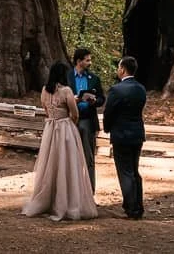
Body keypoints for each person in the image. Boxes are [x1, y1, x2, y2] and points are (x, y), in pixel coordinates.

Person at [22, 61, 98, 221]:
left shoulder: (44, 90)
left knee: (50, 163)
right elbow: (75, 113)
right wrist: (71, 122)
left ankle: (47, 199)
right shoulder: (66, 91)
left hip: (50, 128)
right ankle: (67, 201)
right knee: (67, 163)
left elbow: (46, 109)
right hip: (65, 128)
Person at [101, 55, 146, 220]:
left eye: (119, 67)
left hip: (121, 134)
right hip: (137, 134)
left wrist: (107, 128)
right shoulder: (141, 89)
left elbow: (109, 112)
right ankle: (138, 206)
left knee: (125, 171)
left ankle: (131, 208)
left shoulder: (117, 90)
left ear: (122, 69)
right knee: (134, 170)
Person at [70, 47, 105, 188]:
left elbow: (102, 98)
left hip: (87, 121)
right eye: (87, 60)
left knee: (89, 157)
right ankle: (72, 190)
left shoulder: (94, 79)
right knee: (70, 157)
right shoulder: (67, 77)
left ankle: (90, 191)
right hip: (70, 120)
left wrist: (95, 101)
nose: (90, 62)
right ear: (79, 61)